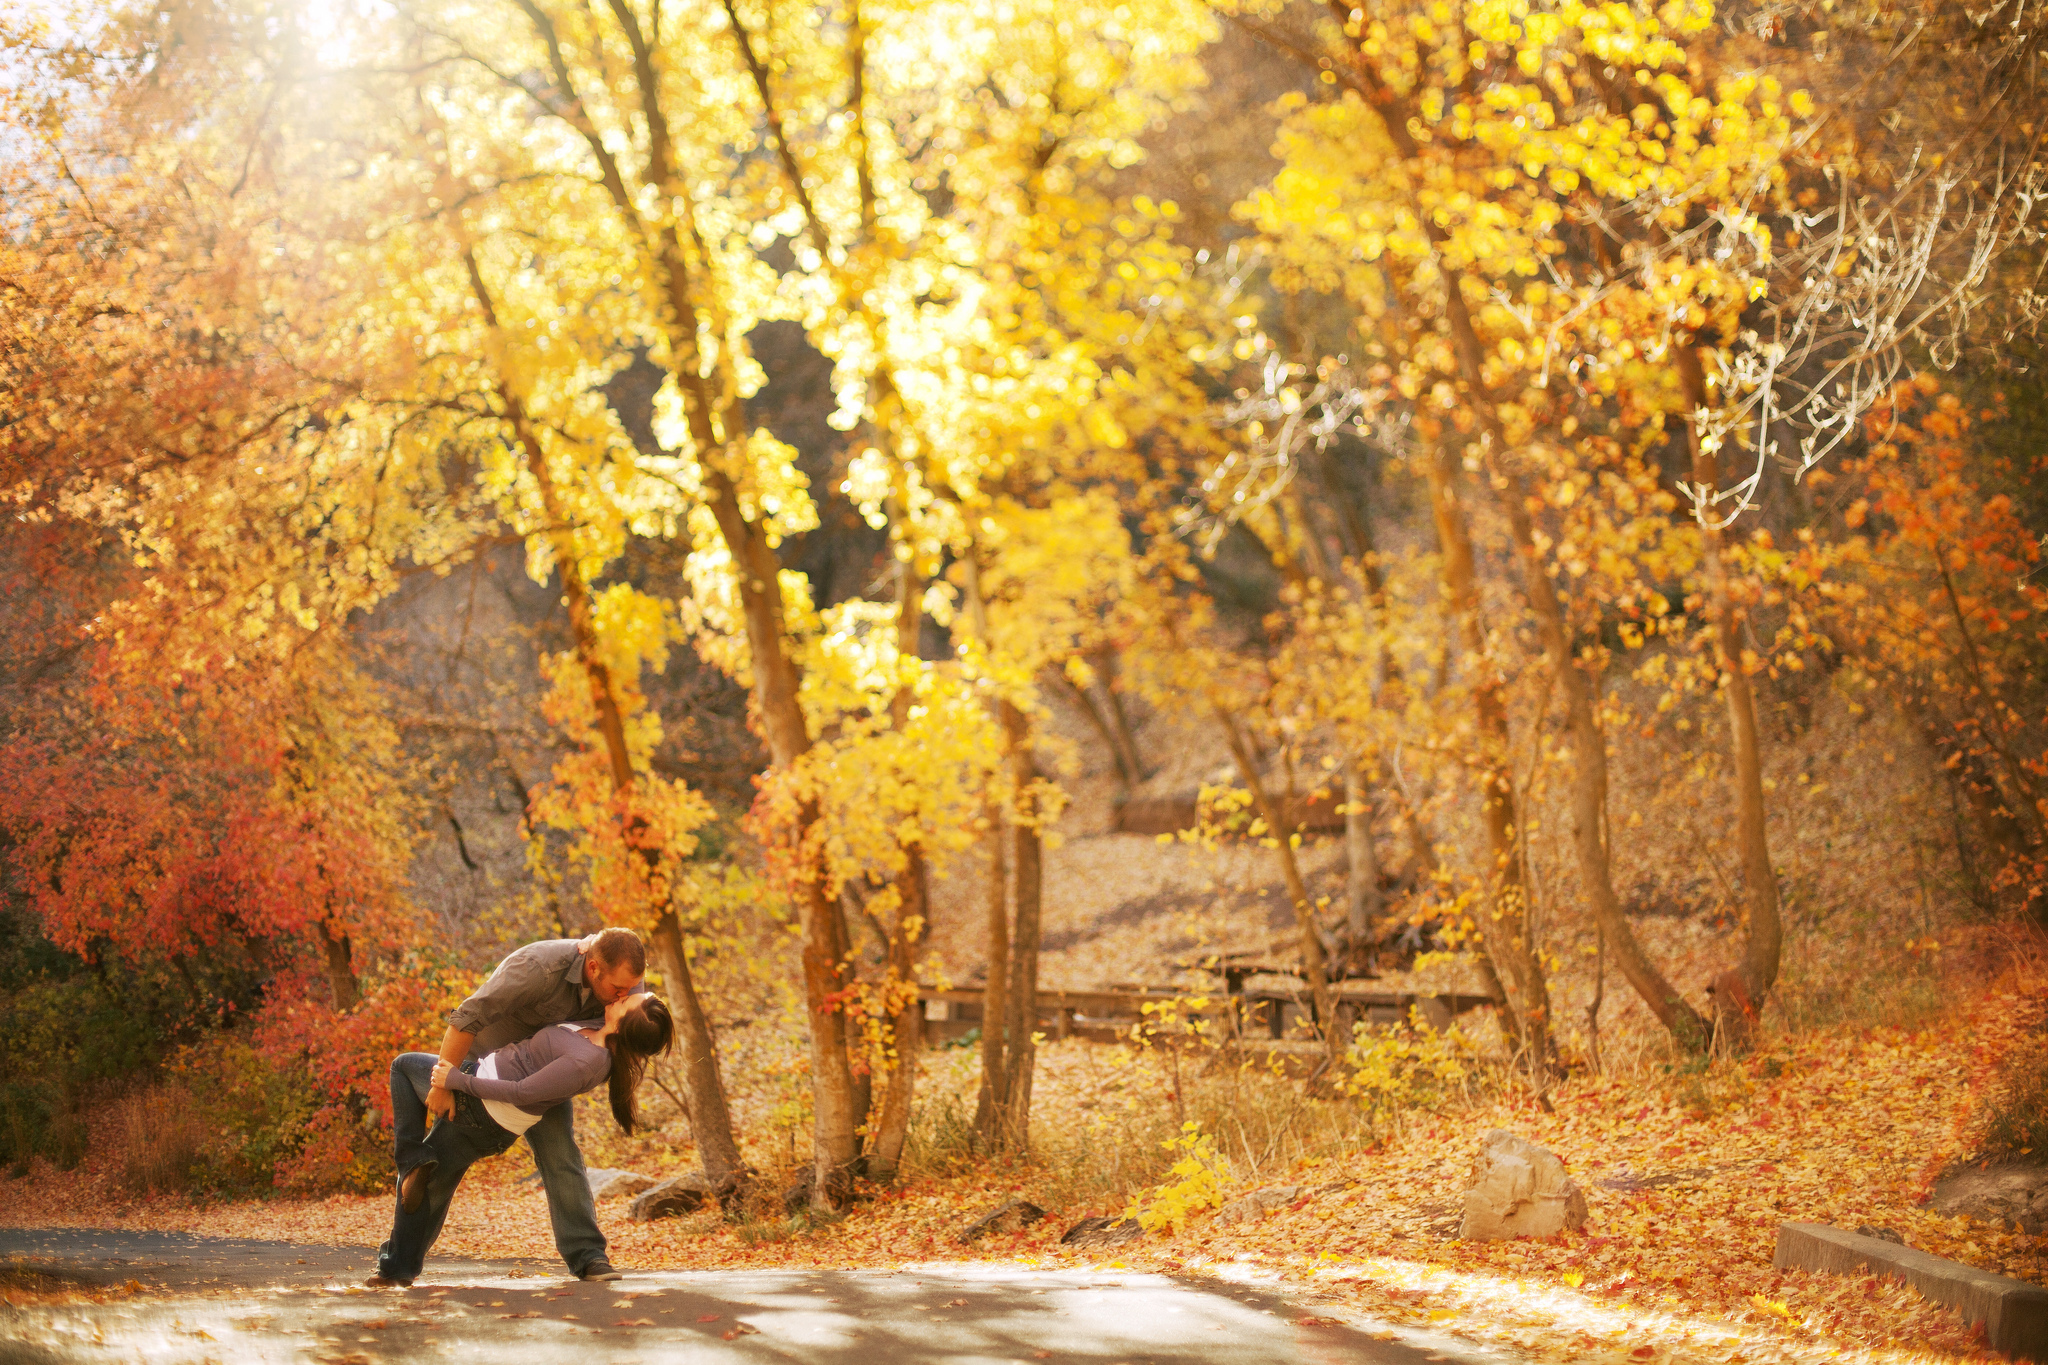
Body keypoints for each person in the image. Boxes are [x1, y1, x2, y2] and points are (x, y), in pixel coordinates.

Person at [385, 928, 648, 1283]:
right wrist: (444, 1082)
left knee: (562, 1158)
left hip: (549, 1073)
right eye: (619, 989)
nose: (625, 995)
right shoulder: (536, 969)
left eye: (629, 989)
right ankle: (398, 1267)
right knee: (438, 1166)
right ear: (594, 967)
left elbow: (639, 1020)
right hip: (488, 1069)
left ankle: (589, 1258)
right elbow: (466, 1017)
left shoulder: (623, 974)